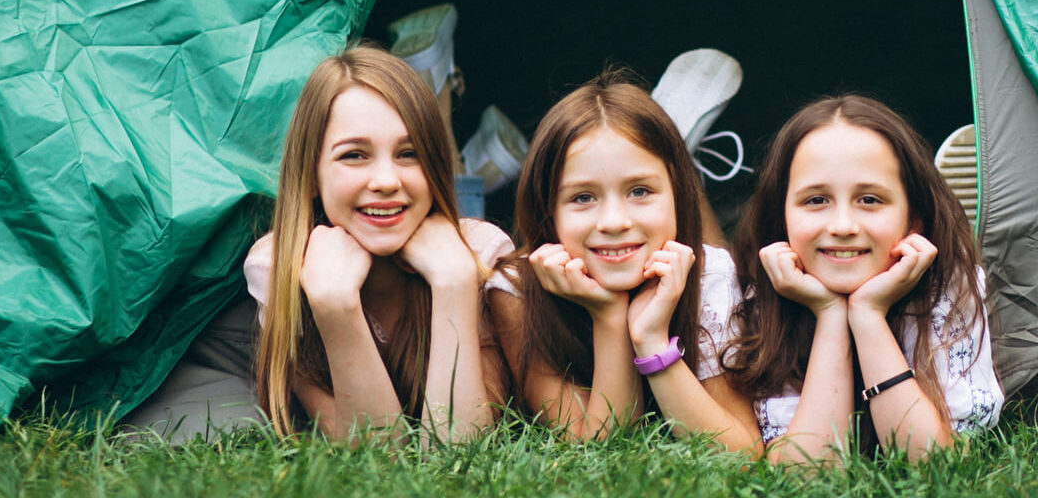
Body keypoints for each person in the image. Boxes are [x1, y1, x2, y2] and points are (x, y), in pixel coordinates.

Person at [244, 45, 511, 443]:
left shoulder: (479, 254)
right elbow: (379, 459)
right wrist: (336, 304)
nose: (386, 179)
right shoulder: (280, 265)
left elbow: (460, 451)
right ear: (312, 173)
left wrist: (454, 282)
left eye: (409, 154)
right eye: (354, 155)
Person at [488, 72, 761, 453]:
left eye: (639, 191)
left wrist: (651, 339)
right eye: (583, 197)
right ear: (547, 210)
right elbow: (598, 449)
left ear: (678, 195)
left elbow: (743, 454)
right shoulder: (516, 291)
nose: (614, 222)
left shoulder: (712, 277)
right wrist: (609, 316)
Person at [723, 95, 1001, 462]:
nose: (842, 226)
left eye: (869, 200)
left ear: (914, 218)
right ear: (782, 215)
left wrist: (868, 315)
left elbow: (934, 465)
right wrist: (829, 314)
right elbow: (809, 473)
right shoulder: (763, 298)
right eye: (816, 200)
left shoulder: (949, 291)